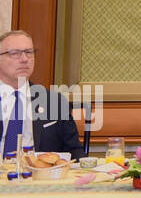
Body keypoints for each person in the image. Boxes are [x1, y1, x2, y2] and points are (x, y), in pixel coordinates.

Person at [0, 30, 83, 158]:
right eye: (15, 53)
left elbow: (74, 152)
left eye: (29, 52)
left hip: (39, 175)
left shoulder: (55, 103)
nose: (24, 59)